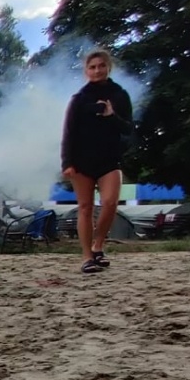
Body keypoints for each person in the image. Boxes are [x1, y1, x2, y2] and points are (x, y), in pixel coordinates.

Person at [61, 48, 135, 274]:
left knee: (111, 202)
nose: (97, 70)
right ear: (86, 71)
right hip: (81, 161)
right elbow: (69, 132)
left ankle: (98, 245)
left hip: (109, 159)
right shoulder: (78, 99)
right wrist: (67, 163)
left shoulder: (120, 95)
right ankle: (86, 257)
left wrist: (112, 116)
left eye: (101, 66)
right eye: (92, 67)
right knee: (85, 207)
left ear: (108, 67)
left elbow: (129, 128)